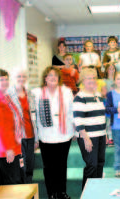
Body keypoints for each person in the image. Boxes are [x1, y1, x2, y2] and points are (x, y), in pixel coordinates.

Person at [32, 66, 74, 199]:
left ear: (59, 78)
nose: (53, 78)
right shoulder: (36, 92)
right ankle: (51, 193)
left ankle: (61, 192)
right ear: (45, 78)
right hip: (46, 135)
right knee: (49, 167)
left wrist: (75, 130)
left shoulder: (66, 91)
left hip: (64, 134)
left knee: (62, 165)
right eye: (50, 75)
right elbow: (33, 116)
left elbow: (72, 111)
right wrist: (35, 136)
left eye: (55, 76)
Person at [0, 69, 24, 185]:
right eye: (1, 79)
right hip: (6, 150)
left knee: (18, 182)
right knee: (12, 184)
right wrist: (7, 148)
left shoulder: (4, 96)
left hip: (14, 146)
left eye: (6, 79)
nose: (5, 82)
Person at [73, 68, 107, 190]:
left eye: (94, 77)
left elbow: (101, 116)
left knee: (100, 163)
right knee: (91, 165)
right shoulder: (80, 97)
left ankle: (97, 190)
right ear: (83, 80)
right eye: (89, 78)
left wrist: (105, 133)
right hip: (88, 137)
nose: (92, 80)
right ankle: (87, 192)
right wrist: (86, 139)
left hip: (101, 135)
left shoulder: (97, 95)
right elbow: (78, 121)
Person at [7, 68, 38, 184]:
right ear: (14, 78)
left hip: (31, 134)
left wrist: (37, 138)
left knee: (30, 164)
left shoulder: (30, 93)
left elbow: (34, 115)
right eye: (18, 77)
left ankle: (30, 188)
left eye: (23, 77)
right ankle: (24, 189)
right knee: (22, 166)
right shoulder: (8, 94)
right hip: (18, 137)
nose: (21, 79)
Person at [104, 63, 117, 146]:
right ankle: (108, 138)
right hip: (107, 103)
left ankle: (113, 137)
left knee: (114, 121)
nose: (111, 70)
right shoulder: (104, 81)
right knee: (107, 121)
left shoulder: (117, 80)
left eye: (113, 69)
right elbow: (103, 93)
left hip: (116, 104)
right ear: (107, 70)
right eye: (110, 69)